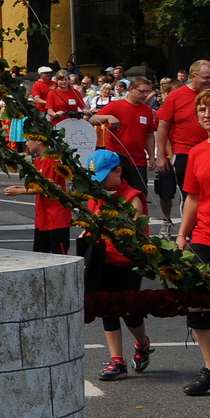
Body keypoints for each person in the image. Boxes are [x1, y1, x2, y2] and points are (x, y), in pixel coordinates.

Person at [77, 149, 154, 382]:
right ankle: (117, 361)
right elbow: (91, 224)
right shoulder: (96, 197)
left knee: (129, 310)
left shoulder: (132, 196)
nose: (99, 184)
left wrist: (103, 228)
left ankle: (142, 343)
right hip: (102, 261)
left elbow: (131, 231)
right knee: (107, 309)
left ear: (118, 171)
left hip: (127, 262)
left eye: (102, 178)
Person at [172, 87, 210, 396]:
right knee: (199, 304)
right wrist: (182, 234)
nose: (208, 114)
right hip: (205, 238)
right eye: (202, 110)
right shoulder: (198, 152)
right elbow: (193, 198)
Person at [155, 59, 210, 217]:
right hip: (185, 153)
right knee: (190, 196)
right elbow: (163, 127)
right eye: (206, 77)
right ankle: (191, 234)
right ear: (193, 76)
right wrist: (160, 156)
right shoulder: (176, 96)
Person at [90, 73, 156, 200]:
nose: (145, 95)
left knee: (139, 195)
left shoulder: (147, 110)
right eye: (142, 91)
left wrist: (152, 156)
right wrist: (107, 117)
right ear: (131, 89)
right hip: (117, 159)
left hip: (139, 160)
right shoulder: (116, 106)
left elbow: (149, 135)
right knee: (116, 194)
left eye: (148, 92)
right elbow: (93, 119)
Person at [4, 132, 72, 255]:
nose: (26, 143)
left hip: (56, 216)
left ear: (39, 141)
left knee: (59, 254)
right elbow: (37, 185)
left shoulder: (52, 161)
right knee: (39, 254)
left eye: (29, 139)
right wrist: (20, 187)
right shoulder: (39, 160)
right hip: (43, 215)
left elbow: (47, 187)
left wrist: (19, 191)